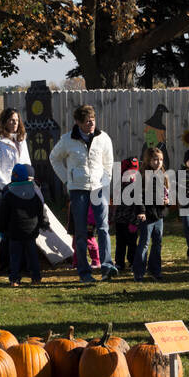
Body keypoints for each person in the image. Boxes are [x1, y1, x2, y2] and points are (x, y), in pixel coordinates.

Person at [49, 104, 116, 283]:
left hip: (98, 188)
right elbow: (54, 158)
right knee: (80, 233)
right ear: (77, 122)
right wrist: (66, 180)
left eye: (93, 120)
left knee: (103, 228)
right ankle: (84, 273)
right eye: (87, 122)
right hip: (77, 190)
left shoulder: (104, 138)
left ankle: (107, 267)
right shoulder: (66, 140)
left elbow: (108, 163)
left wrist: (106, 181)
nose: (91, 124)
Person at [0, 108, 30, 270]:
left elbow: (26, 162)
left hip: (20, 188)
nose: (14, 123)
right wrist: (6, 186)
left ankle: (8, 263)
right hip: (0, 190)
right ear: (4, 122)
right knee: (0, 227)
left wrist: (29, 181)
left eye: (16, 120)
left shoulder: (21, 140)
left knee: (15, 228)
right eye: (11, 120)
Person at [0, 164, 49, 287]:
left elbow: (3, 214)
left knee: (15, 256)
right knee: (32, 255)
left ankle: (14, 279)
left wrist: (2, 229)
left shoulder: (8, 195)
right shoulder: (34, 193)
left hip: (15, 231)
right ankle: (36, 277)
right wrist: (41, 224)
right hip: (31, 231)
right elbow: (39, 210)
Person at [133, 145, 169, 281]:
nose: (158, 162)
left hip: (159, 216)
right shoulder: (142, 177)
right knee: (144, 243)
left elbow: (166, 193)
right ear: (148, 161)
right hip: (147, 216)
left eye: (160, 160)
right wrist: (141, 211)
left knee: (157, 243)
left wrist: (167, 201)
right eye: (155, 159)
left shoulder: (162, 176)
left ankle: (155, 270)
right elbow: (138, 196)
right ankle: (139, 272)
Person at [112, 157, 141, 273]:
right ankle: (119, 263)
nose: (132, 173)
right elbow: (116, 203)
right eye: (129, 171)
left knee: (132, 243)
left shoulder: (137, 185)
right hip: (120, 220)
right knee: (120, 242)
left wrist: (135, 221)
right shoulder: (119, 185)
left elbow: (138, 204)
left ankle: (133, 262)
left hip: (131, 220)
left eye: (135, 170)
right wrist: (112, 216)